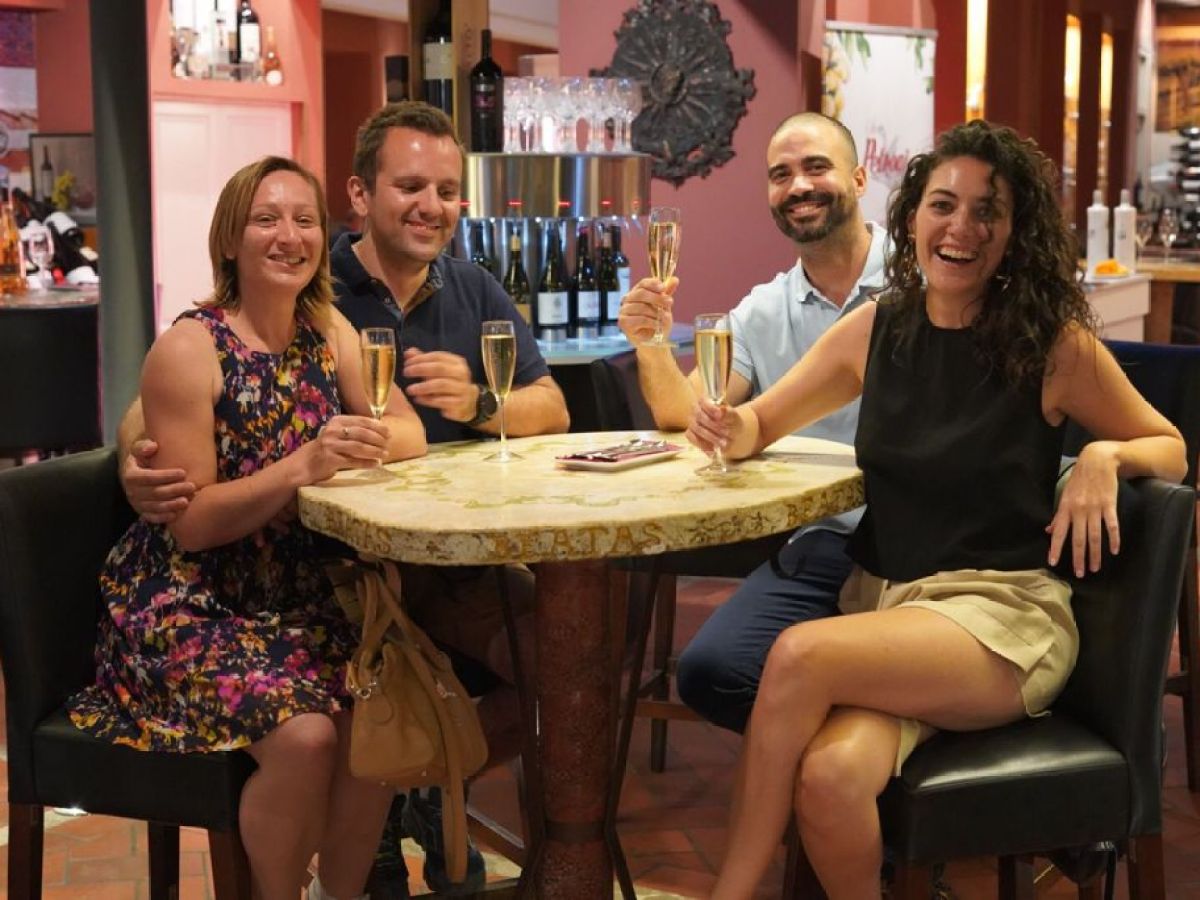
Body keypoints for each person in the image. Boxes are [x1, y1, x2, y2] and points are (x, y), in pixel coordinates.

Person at [685, 120, 1187, 898]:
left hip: (1001, 620)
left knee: (796, 656)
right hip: (891, 608)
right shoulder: (875, 329)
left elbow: (1172, 447)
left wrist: (1103, 454)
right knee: (828, 777)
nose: (961, 228)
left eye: (988, 212)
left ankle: (730, 894)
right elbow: (758, 424)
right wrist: (724, 421)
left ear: (1016, 234)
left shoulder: (1052, 345)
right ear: (911, 215)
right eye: (943, 205)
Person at [120, 101, 570, 897]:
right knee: (321, 734)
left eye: (445, 188)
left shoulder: (361, 314)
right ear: (361, 197)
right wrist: (134, 459)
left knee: (555, 662)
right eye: (409, 185)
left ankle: (421, 815)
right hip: (258, 587)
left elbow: (471, 422)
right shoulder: (265, 305)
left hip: (368, 577)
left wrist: (476, 405)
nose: (287, 235)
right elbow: (163, 436)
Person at [69, 155, 428, 900]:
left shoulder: (326, 332)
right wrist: (302, 465)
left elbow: (409, 430)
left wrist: (362, 441)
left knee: (376, 714)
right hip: (191, 602)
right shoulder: (190, 349)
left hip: (294, 596)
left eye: (304, 220)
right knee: (306, 737)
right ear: (230, 238)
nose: (289, 236)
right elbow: (194, 525)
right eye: (267, 219)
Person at [618, 111, 887, 733]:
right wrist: (652, 343)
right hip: (826, 542)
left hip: (924, 538)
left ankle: (854, 768)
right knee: (711, 673)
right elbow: (684, 415)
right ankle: (843, 753)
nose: (798, 186)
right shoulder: (763, 309)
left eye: (816, 167)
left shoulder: (922, 278)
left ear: (859, 176)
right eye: (780, 175)